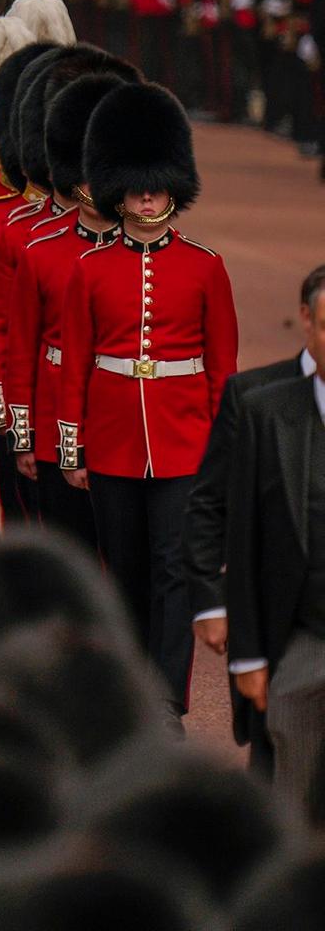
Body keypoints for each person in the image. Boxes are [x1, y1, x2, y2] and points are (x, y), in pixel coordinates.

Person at [51, 80, 233, 710]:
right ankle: (130, 692)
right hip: (112, 439)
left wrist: (221, 452)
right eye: (135, 185)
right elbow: (75, 363)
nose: (147, 194)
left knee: (175, 571)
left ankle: (167, 700)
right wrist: (71, 448)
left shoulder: (205, 267)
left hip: (184, 442)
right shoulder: (89, 269)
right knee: (124, 571)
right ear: (116, 188)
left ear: (173, 185)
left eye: (156, 184)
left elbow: (222, 370)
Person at [206, 262, 325, 818]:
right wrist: (248, 655)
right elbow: (242, 536)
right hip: (299, 644)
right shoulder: (263, 409)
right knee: (291, 801)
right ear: (307, 322)